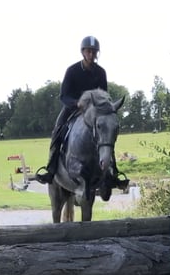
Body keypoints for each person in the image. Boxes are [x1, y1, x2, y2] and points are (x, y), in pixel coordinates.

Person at [35, 36, 129, 189]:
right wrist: (76, 104)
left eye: (94, 52)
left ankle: (113, 173)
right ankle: (51, 170)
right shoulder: (72, 71)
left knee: (106, 135)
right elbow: (63, 96)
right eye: (88, 51)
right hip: (73, 108)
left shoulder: (101, 72)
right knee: (57, 132)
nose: (91, 55)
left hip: (95, 112)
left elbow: (104, 95)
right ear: (83, 52)